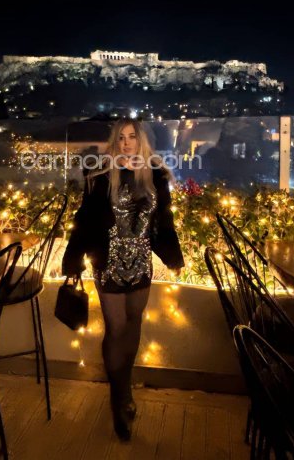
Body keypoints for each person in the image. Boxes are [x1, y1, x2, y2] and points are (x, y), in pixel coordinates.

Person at [61, 118, 185, 441]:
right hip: (108, 263)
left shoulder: (155, 174)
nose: (127, 142)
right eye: (121, 137)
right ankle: (119, 398)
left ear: (141, 140)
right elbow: (85, 219)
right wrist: (73, 259)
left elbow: (164, 221)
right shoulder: (100, 174)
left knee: (133, 324)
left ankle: (125, 385)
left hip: (141, 263)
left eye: (132, 136)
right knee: (116, 329)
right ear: (115, 142)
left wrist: (173, 257)